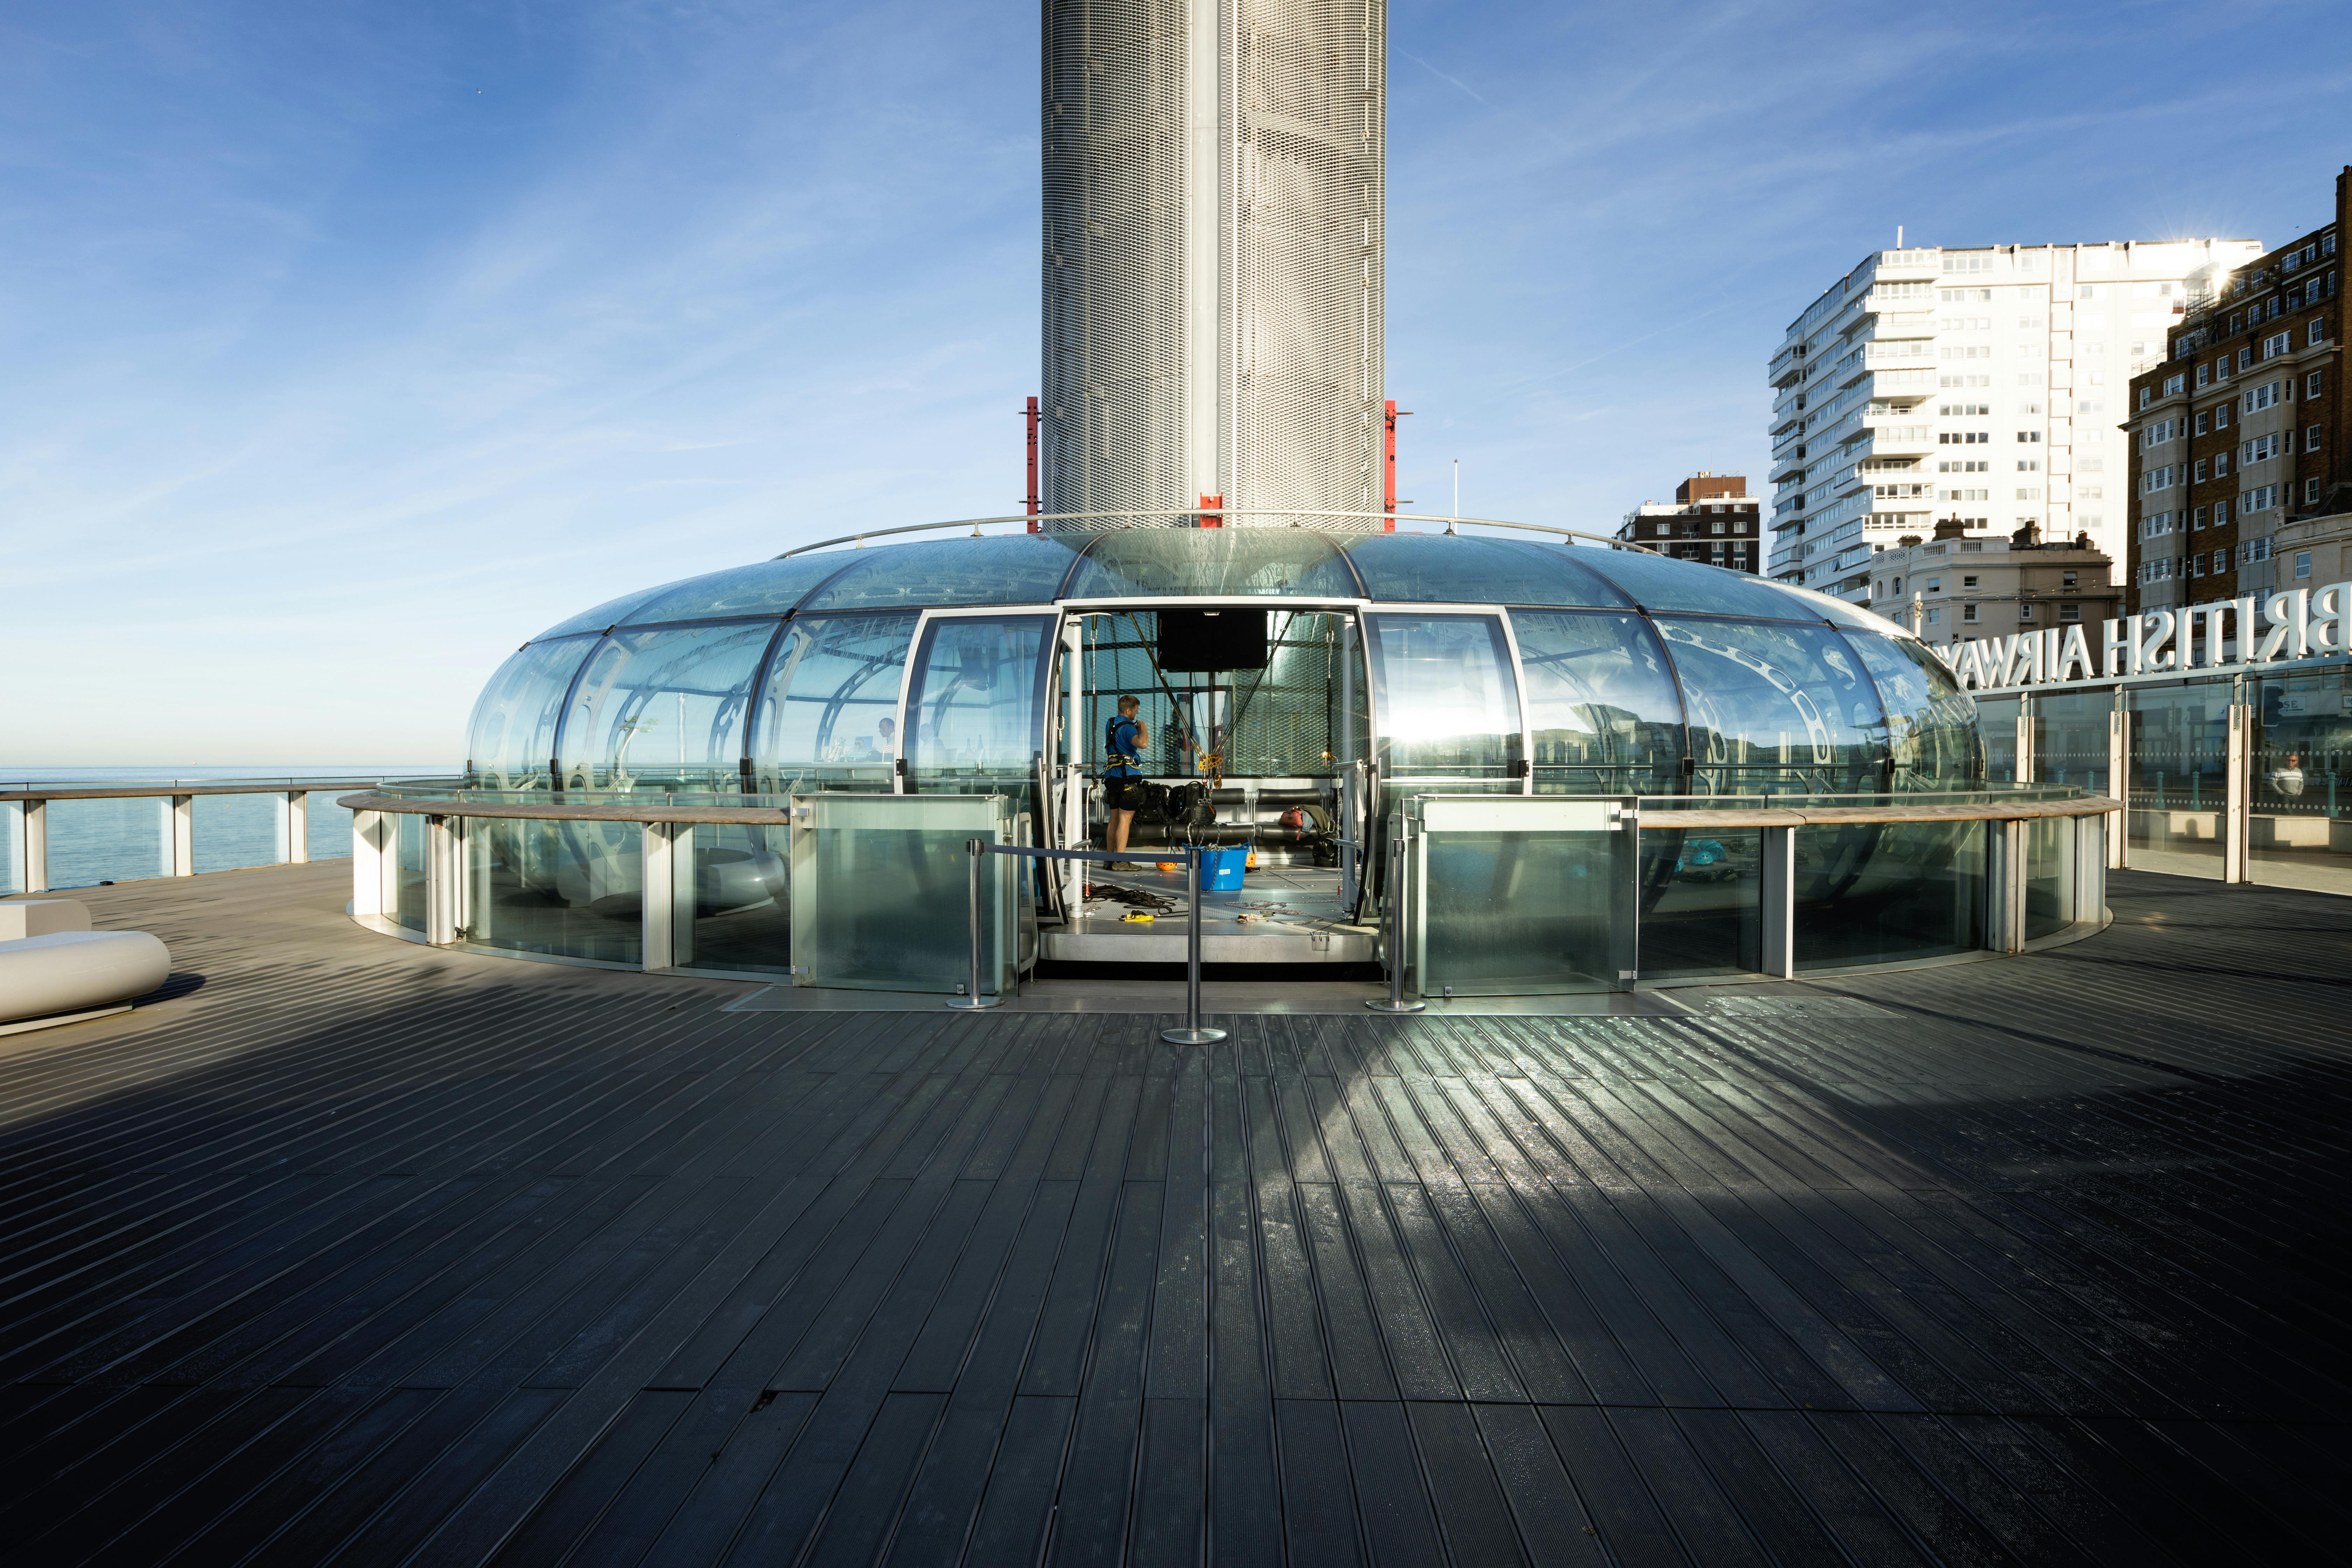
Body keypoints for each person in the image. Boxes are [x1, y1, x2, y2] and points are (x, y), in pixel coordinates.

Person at [1103, 694, 1149, 869]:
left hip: (1112, 777)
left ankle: (1110, 859)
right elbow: (1143, 743)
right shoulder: (1129, 727)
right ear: (1128, 711)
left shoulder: (1111, 724)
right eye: (1135, 711)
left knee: (1113, 819)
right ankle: (1121, 861)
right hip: (1128, 778)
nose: (1137, 714)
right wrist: (1142, 727)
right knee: (1125, 820)